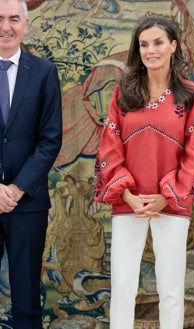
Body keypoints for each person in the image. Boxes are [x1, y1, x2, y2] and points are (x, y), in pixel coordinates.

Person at [94, 15, 194, 329]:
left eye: (158, 42)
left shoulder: (190, 95)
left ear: (173, 45)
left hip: (170, 203)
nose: (150, 50)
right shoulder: (124, 92)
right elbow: (109, 147)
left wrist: (166, 196)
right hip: (128, 201)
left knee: (170, 288)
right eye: (144, 44)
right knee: (122, 285)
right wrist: (129, 195)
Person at [0, 0, 62, 328]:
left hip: (27, 203)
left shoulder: (44, 72)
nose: (5, 26)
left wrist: (16, 188)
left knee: (26, 301)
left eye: (13, 19)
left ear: (25, 25)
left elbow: (50, 138)